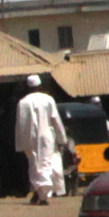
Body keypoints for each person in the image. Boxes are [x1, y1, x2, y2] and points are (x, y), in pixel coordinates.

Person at [13, 75, 73, 206]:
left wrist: (21, 143)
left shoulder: (23, 102)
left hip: (30, 137)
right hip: (47, 137)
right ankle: (41, 194)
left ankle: (41, 194)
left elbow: (20, 125)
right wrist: (62, 138)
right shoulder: (48, 99)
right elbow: (55, 120)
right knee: (44, 164)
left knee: (35, 164)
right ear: (40, 86)